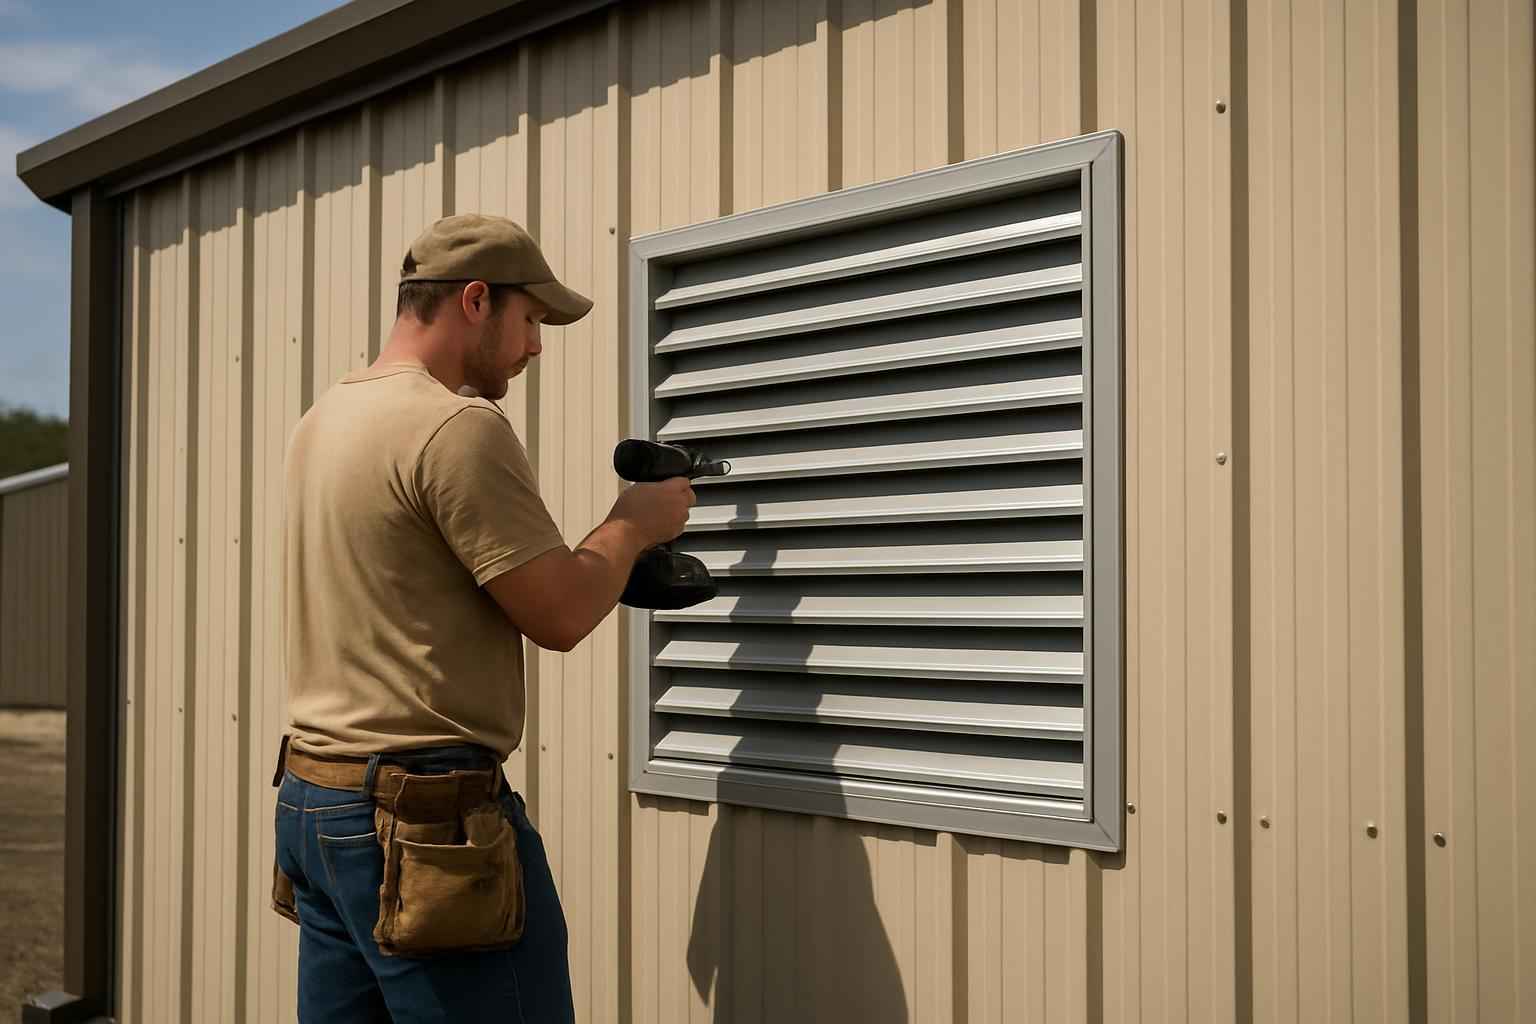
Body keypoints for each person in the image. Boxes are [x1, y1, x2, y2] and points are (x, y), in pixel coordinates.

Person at [269, 213, 694, 1022]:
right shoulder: (455, 426)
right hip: (423, 823)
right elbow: (561, 613)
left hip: (313, 804)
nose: (535, 345)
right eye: (531, 320)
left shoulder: (322, 420)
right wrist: (634, 524)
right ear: (474, 300)